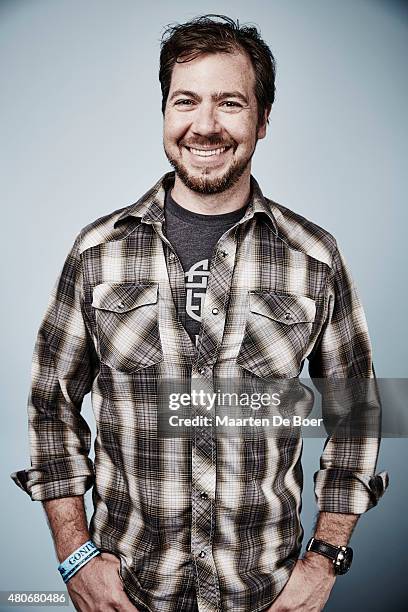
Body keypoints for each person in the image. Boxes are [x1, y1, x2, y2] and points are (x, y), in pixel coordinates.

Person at [11, 14, 388, 612]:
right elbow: (49, 407)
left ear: (263, 120)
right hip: (129, 596)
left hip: (266, 596)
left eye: (230, 103)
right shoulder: (96, 253)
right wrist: (76, 556)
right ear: (165, 113)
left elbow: (359, 415)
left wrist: (325, 560)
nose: (204, 126)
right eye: (186, 101)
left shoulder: (315, 258)